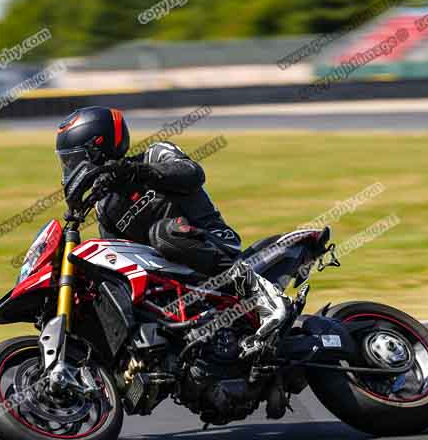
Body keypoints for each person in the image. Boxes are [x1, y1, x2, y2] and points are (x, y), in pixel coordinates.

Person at [55, 106, 289, 339]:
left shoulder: (154, 154)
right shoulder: (106, 208)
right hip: (171, 276)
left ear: (99, 147)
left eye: (74, 159)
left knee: (164, 234)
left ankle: (256, 288)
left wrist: (136, 172)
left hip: (213, 242)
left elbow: (192, 173)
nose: (71, 168)